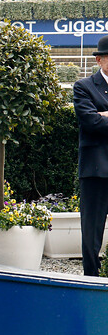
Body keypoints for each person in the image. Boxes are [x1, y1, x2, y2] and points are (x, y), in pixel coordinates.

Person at [72, 34, 108, 276]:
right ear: (99, 60)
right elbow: (91, 122)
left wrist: (104, 114)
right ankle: (91, 279)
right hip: (97, 170)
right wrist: (99, 117)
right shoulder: (83, 86)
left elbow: (99, 119)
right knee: (92, 231)